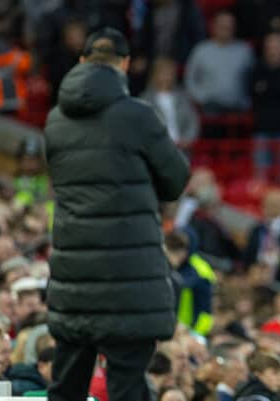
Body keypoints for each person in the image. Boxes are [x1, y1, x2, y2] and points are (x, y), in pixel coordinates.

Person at [44, 27, 190, 401]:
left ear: (81, 61)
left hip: (74, 280)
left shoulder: (56, 121)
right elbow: (176, 181)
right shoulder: (138, 116)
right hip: (129, 281)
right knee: (127, 388)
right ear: (124, 65)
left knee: (65, 390)